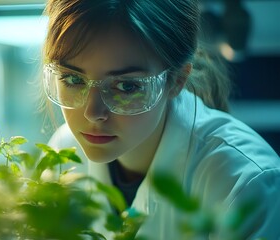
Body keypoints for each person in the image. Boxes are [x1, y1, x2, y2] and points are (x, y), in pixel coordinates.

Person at [41, 0, 280, 239]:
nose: (92, 113)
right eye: (73, 80)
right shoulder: (65, 150)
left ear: (176, 81)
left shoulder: (246, 184)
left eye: (126, 86)